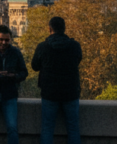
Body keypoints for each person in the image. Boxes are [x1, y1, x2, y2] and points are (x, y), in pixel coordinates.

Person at [31, 16, 82, 144]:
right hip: (71, 92)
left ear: (50, 29)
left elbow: (34, 66)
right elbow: (77, 61)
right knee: (73, 129)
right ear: (64, 29)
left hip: (49, 93)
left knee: (47, 129)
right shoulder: (75, 46)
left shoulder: (42, 47)